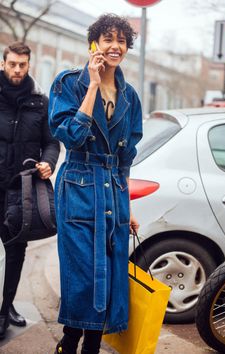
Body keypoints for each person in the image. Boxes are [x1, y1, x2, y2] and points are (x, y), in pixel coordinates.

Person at [49, 13, 143, 354]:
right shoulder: (68, 82)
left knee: (110, 273)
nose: (115, 46)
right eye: (108, 39)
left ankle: (84, 344)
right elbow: (71, 137)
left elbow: (126, 156)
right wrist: (91, 85)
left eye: (121, 40)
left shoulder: (130, 95)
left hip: (113, 190)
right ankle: (72, 340)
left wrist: (128, 207)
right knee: (84, 274)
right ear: (95, 44)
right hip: (78, 185)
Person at [0, 42, 60, 339]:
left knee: (15, 252)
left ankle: (5, 309)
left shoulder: (41, 102)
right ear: (3, 63)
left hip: (20, 190)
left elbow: (52, 141)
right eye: (12, 64)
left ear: (29, 64)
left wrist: (48, 162)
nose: (17, 70)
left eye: (22, 65)